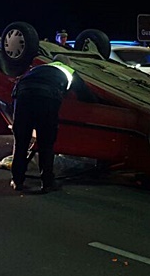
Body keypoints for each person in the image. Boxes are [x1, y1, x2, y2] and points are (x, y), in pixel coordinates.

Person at [9, 54, 93, 193]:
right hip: (46, 100)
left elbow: (17, 87)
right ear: (67, 63)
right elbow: (85, 95)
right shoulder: (69, 71)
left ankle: (17, 181)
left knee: (21, 143)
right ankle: (47, 182)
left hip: (22, 99)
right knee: (46, 144)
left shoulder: (37, 69)